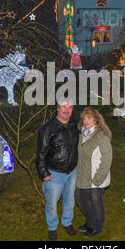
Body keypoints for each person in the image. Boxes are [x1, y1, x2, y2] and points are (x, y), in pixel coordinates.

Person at [35, 99, 79, 240]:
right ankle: (52, 227)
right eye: (63, 107)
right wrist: (43, 173)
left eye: (70, 107)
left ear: (72, 109)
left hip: (72, 172)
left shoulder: (74, 125)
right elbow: (41, 153)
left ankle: (67, 222)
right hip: (54, 173)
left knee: (69, 200)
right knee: (52, 203)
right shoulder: (47, 129)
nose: (66, 110)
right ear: (58, 108)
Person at [75, 107, 112, 238]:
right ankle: (90, 221)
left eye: (89, 118)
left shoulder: (101, 137)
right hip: (83, 176)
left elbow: (107, 160)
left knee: (96, 201)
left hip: (97, 177)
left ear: (96, 120)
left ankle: (96, 227)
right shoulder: (83, 134)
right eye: (84, 118)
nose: (86, 121)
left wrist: (98, 179)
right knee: (80, 198)